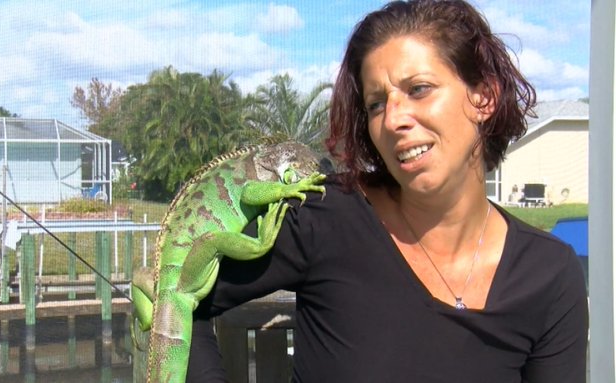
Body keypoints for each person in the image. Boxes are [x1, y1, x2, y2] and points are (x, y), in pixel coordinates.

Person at [187, 0, 588, 381]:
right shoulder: (326, 216)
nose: (393, 118)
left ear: (483, 97)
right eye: (376, 104)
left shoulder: (549, 273)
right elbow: (172, 295)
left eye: (418, 89)